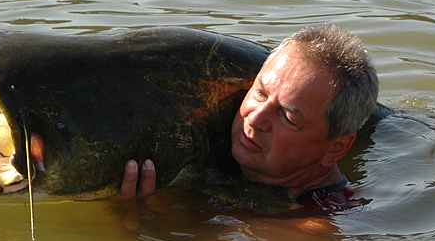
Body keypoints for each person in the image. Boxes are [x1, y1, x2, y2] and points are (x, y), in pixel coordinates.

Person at [120, 24, 379, 213]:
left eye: (288, 118)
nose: (255, 119)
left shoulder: (317, 223)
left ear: (336, 148)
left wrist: (142, 220)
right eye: (259, 92)